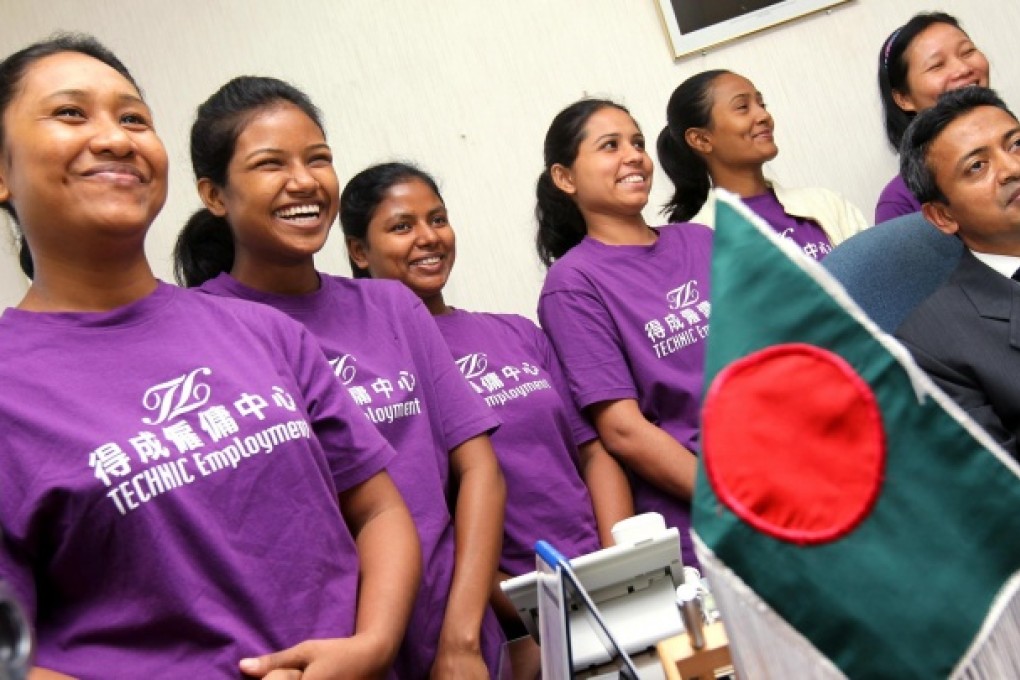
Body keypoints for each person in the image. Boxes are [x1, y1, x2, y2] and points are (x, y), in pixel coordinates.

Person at [0, 35, 421, 679]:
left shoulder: (263, 331)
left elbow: (381, 509)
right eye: (70, 113)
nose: (116, 139)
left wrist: (371, 646)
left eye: (134, 117)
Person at [173, 76, 506, 678]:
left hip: (453, 638)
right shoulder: (205, 334)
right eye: (270, 164)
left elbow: (478, 468)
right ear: (214, 195)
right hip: (322, 658)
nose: (303, 181)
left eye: (317, 158)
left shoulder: (391, 307)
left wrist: (462, 637)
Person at [339, 161, 635, 623]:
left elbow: (592, 452)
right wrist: (543, 609)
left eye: (437, 219)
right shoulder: (375, 377)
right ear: (359, 250)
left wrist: (617, 567)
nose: (429, 237)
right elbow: (422, 521)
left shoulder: (514, 331)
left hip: (606, 584)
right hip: (506, 613)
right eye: (402, 226)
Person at [534, 98, 713, 567]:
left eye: (636, 142)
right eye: (609, 146)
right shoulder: (573, 284)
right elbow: (622, 429)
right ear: (565, 178)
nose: (633, 155)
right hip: (708, 519)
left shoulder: (699, 241)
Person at [895, 86, 1020, 459]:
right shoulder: (930, 346)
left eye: (1015, 144)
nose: (1012, 168)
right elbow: (998, 493)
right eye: (977, 166)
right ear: (943, 216)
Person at [657, 69, 867, 261]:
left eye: (762, 104)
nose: (764, 115)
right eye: (742, 107)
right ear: (701, 140)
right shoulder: (700, 241)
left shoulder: (826, 203)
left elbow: (876, 278)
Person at [875, 11, 990, 223]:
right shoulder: (899, 202)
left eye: (967, 52)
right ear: (903, 98)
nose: (963, 69)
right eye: (937, 65)